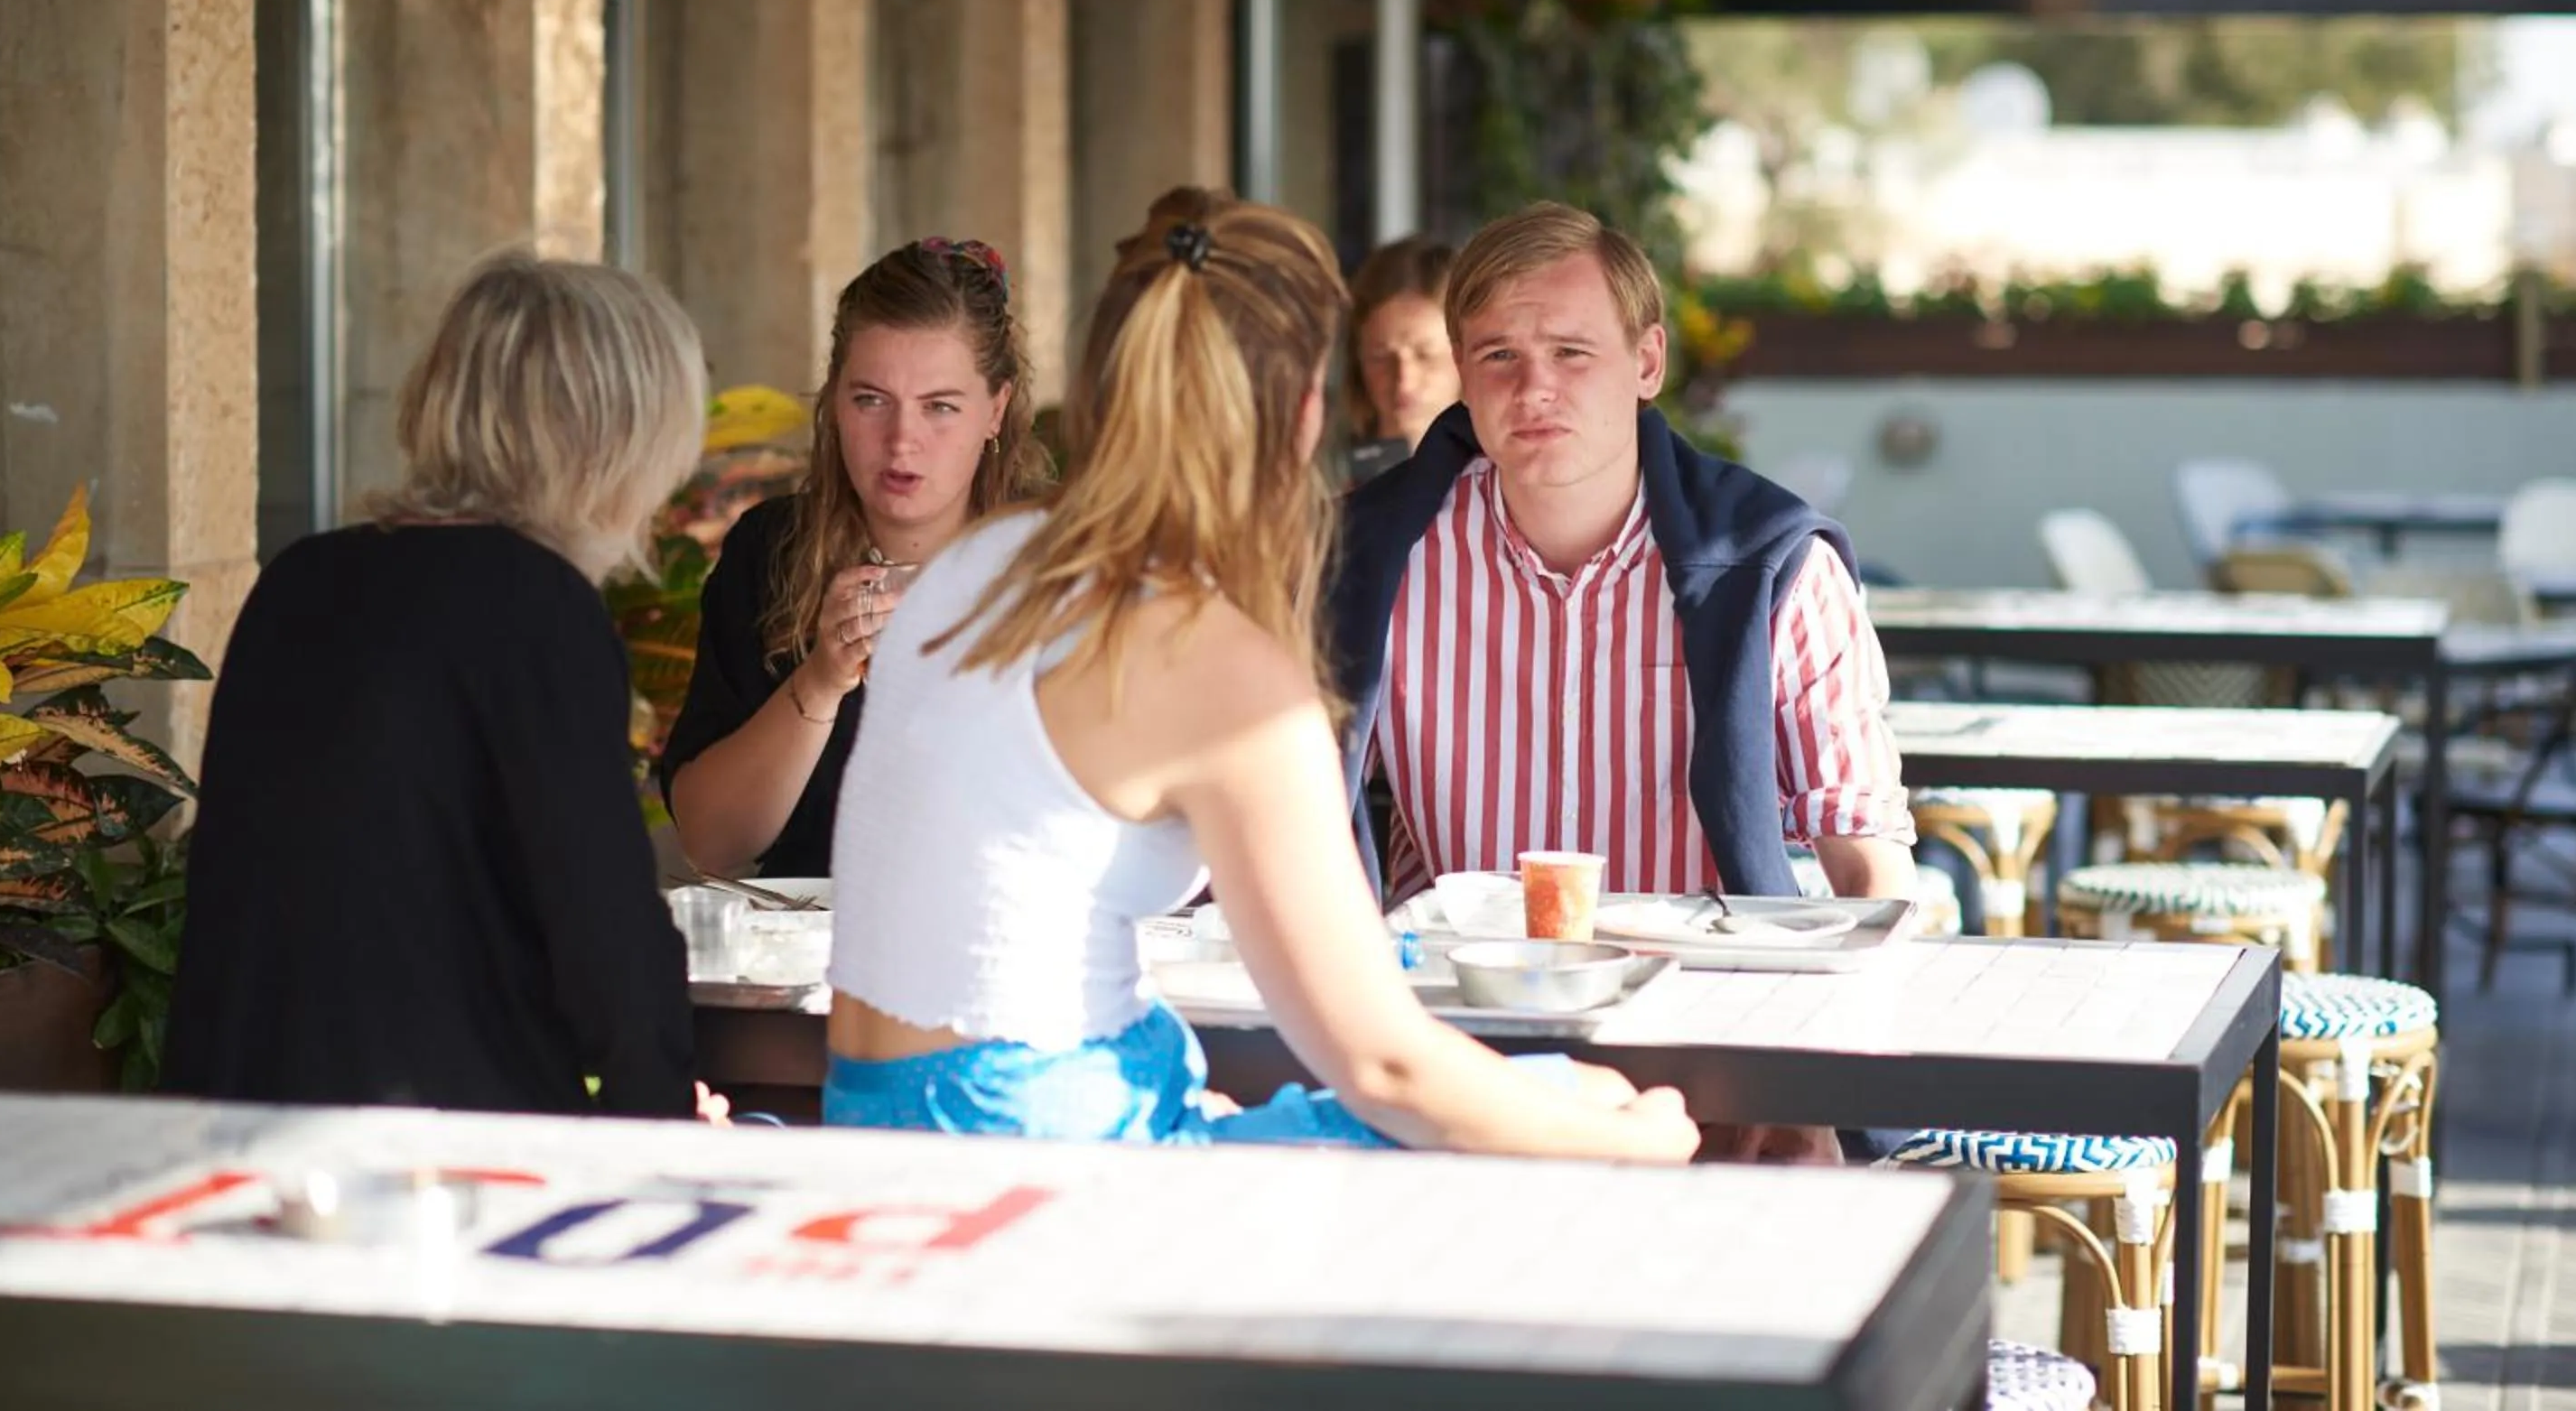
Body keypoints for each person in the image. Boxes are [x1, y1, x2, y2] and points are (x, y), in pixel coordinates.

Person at [817, 188, 1697, 1161]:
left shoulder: (978, 564)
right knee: (1588, 1109)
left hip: (877, 1124)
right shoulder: (1218, 664)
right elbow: (1385, 1067)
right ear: (1307, 410)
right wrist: (1644, 1139)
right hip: (1050, 1174)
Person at [1328, 204, 1918, 1162]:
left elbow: (1866, 860)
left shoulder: (1772, 566)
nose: (1535, 389)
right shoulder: (1365, 559)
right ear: (1463, 376)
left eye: (1572, 352)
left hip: (1712, 1058)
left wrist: (1837, 1088)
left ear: (1647, 363)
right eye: (1499, 358)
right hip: (1453, 1056)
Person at [163, 255, 716, 1119]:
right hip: (433, 1153)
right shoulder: (534, 606)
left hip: (236, 1117)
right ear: (619, 440)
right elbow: (605, 941)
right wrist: (663, 1139)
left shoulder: (303, 578)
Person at [661, 237, 1047, 878]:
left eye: (940, 407)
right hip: (817, 957)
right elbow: (712, 843)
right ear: (834, 401)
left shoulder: (1060, 559)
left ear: (996, 410)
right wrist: (821, 680)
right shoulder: (772, 551)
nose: (902, 441)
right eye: (871, 399)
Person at [1344, 236, 1460, 485]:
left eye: (1425, 355)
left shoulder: (1506, 483)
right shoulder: (1327, 478)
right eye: (1380, 357)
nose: (1404, 381)